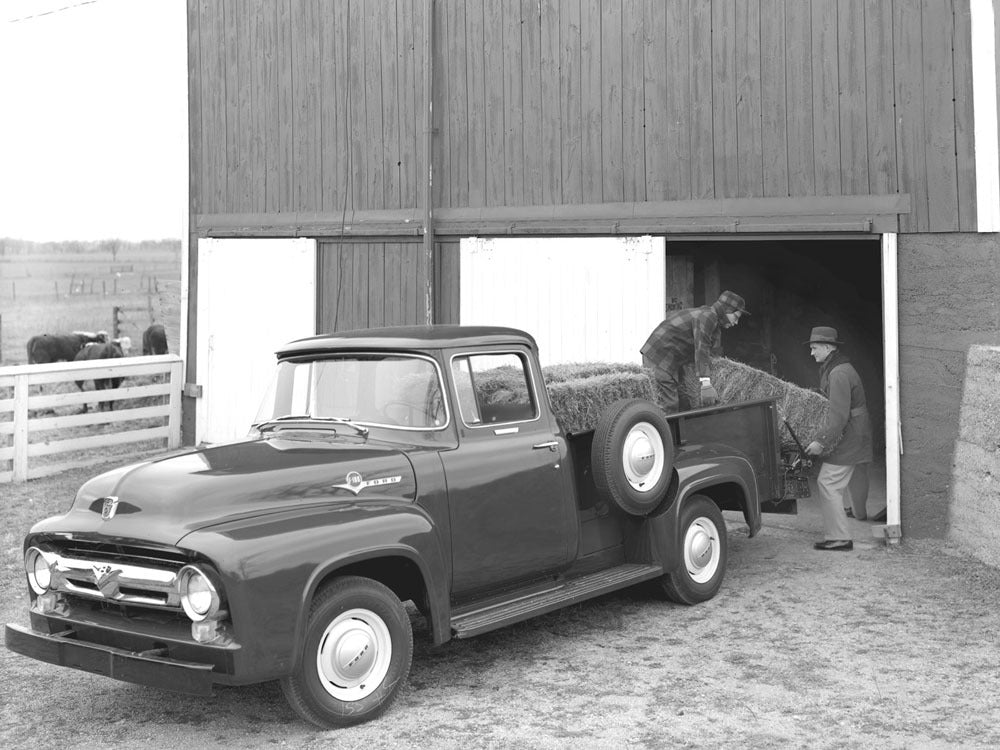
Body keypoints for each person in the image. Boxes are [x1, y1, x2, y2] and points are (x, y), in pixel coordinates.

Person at [803, 326, 873, 551]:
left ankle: (839, 537)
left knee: (828, 482)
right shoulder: (838, 367)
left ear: (826, 347)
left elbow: (839, 416)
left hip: (851, 432)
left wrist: (820, 441)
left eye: (814, 348)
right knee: (855, 472)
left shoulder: (838, 373)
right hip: (858, 429)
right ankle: (858, 513)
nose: (812, 353)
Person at [640, 291, 749, 412]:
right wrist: (706, 383)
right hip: (659, 356)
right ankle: (661, 429)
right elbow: (701, 349)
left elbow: (706, 351)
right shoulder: (708, 317)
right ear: (726, 310)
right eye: (736, 317)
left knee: (684, 402)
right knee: (669, 405)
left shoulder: (712, 319)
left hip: (671, 358)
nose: (736, 322)